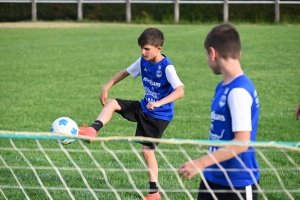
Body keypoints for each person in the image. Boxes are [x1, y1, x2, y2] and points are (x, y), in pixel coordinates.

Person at [79, 27, 184, 200]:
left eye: (147, 49)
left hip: (159, 116)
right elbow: (125, 72)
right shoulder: (143, 61)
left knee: (147, 151)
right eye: (142, 48)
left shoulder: (167, 67)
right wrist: (107, 86)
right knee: (112, 103)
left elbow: (179, 91)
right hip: (144, 107)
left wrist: (158, 103)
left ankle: (154, 193)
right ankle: (92, 131)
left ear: (159, 48)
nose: (143, 52)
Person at [179, 23, 260, 200]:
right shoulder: (222, 87)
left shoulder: (238, 91)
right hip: (212, 177)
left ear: (213, 53)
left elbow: (242, 142)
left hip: (236, 183)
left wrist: (199, 163)